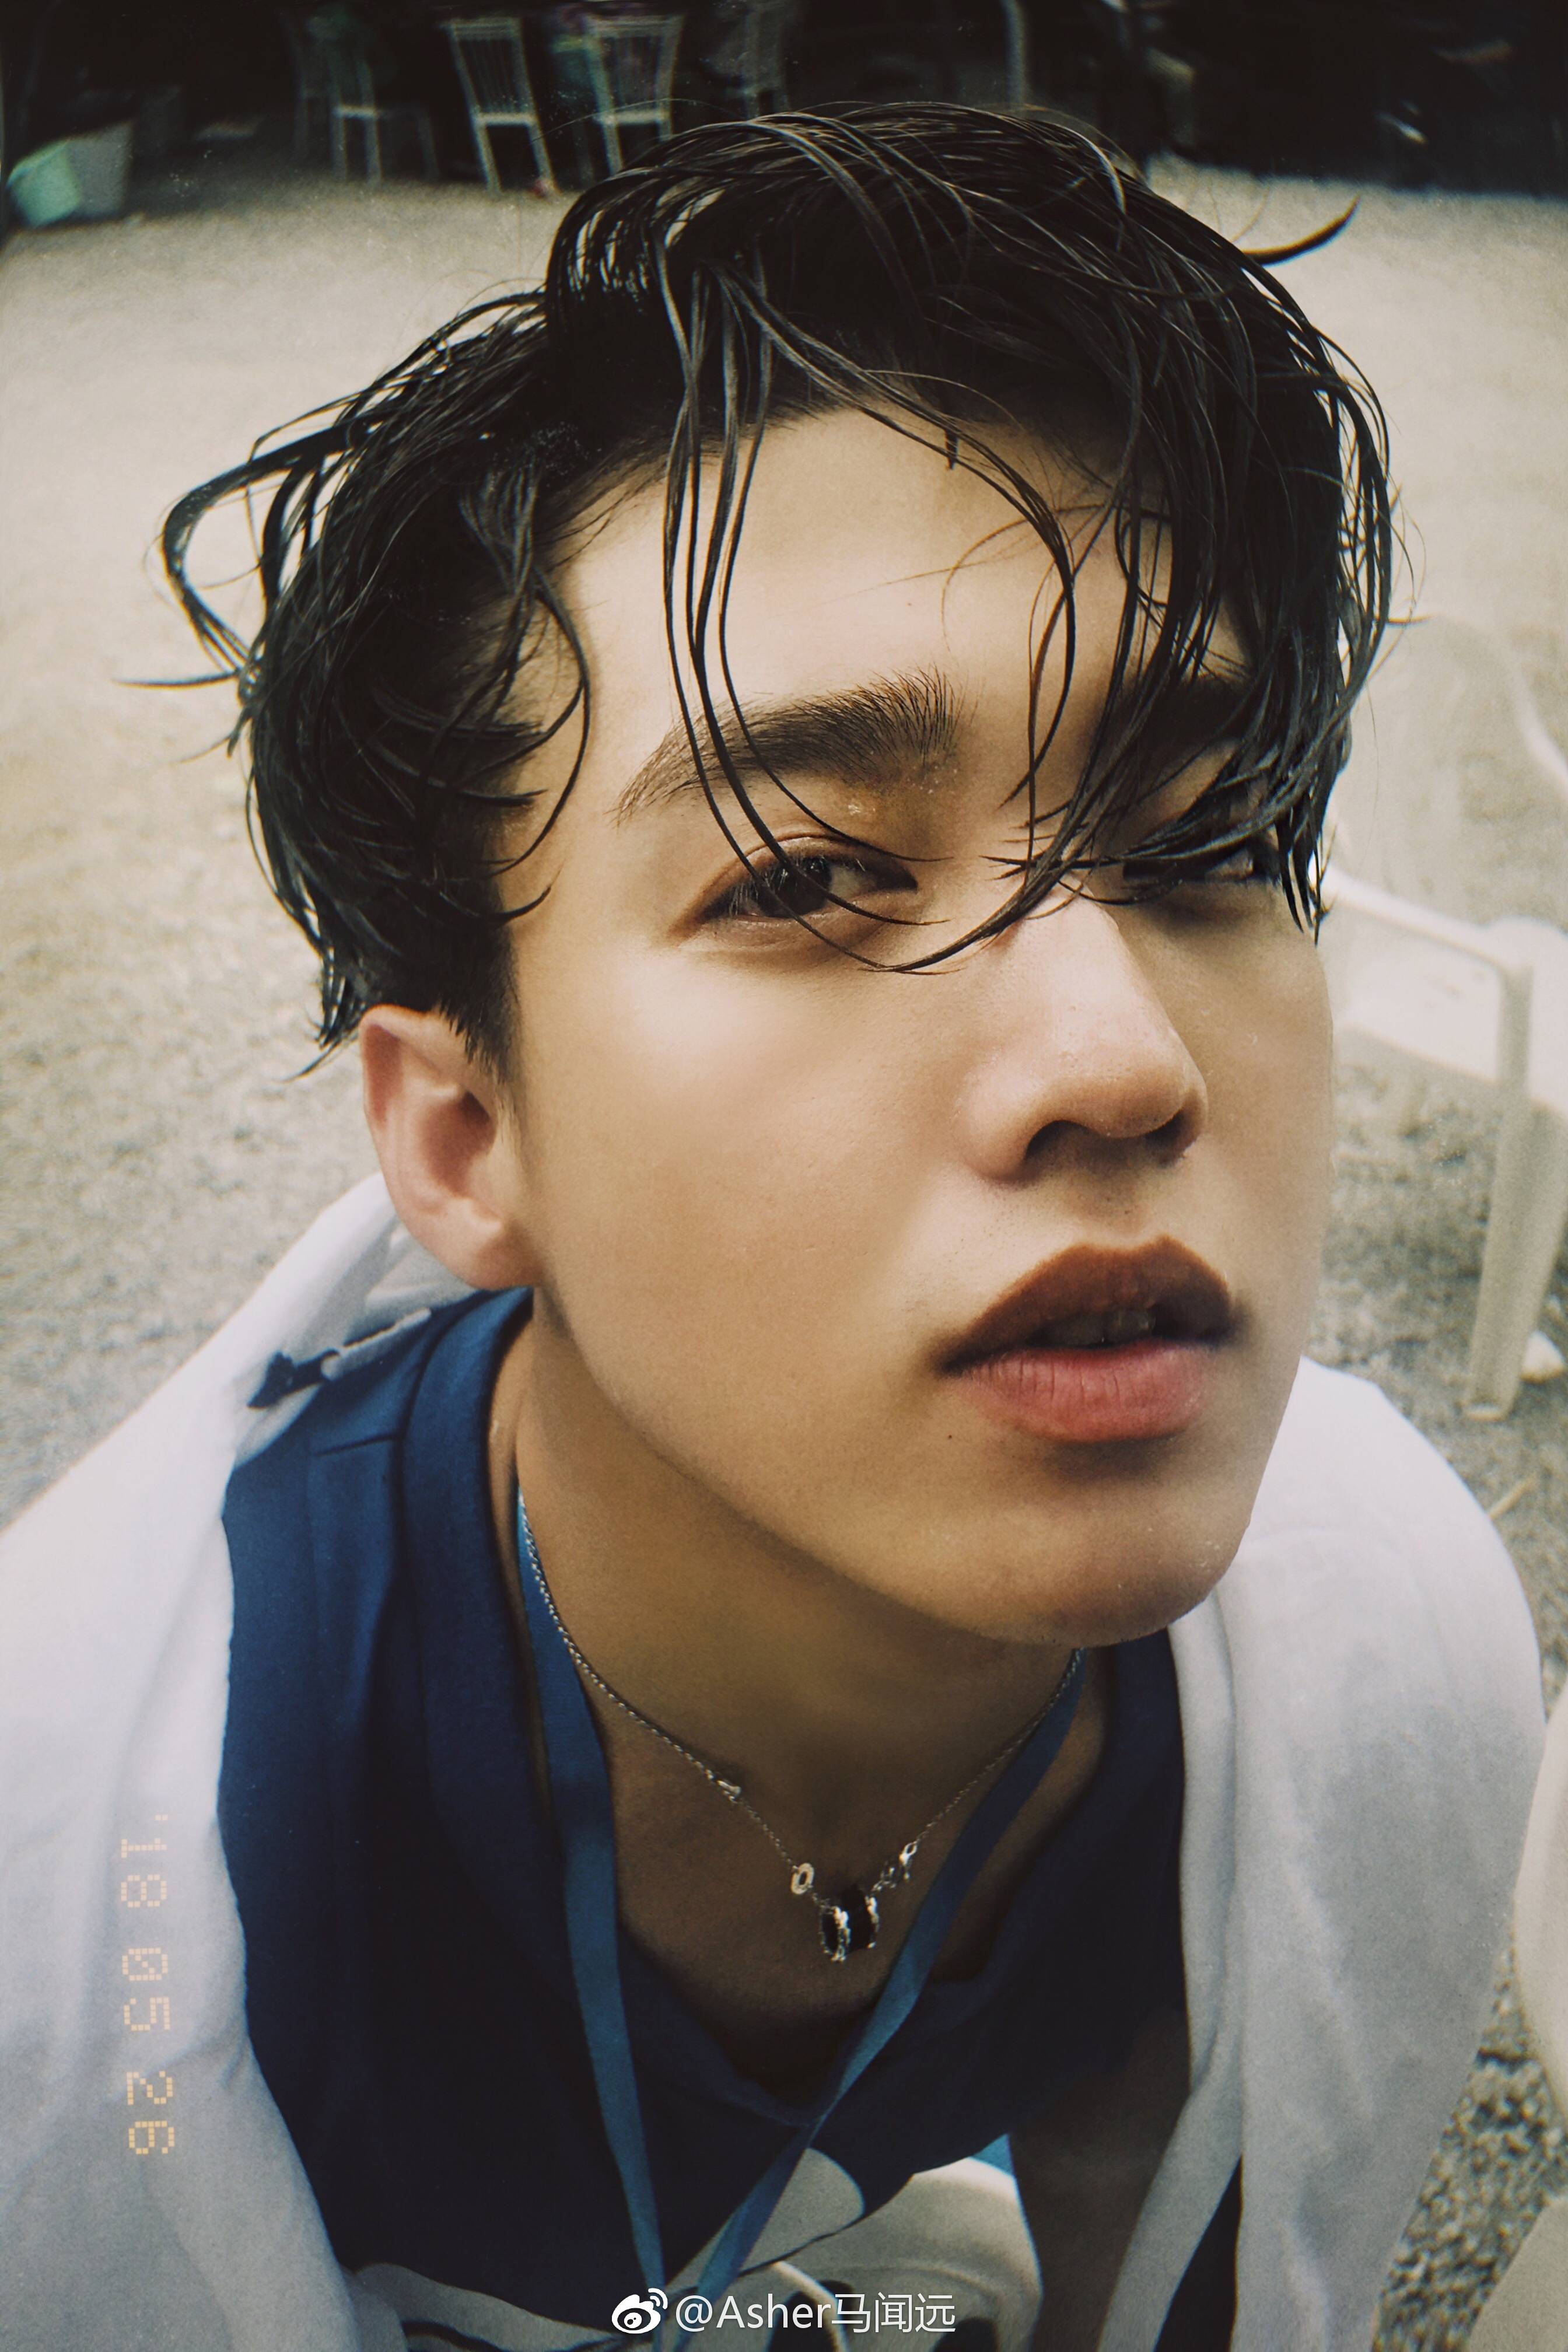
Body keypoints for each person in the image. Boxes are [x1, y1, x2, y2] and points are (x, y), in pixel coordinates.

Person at [0, 106, 1544, 2352]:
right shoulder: (110, 1910)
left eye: (1206, 842)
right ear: (464, 1135)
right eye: (808, 874)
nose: (1120, 1059)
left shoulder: (1371, 1658)